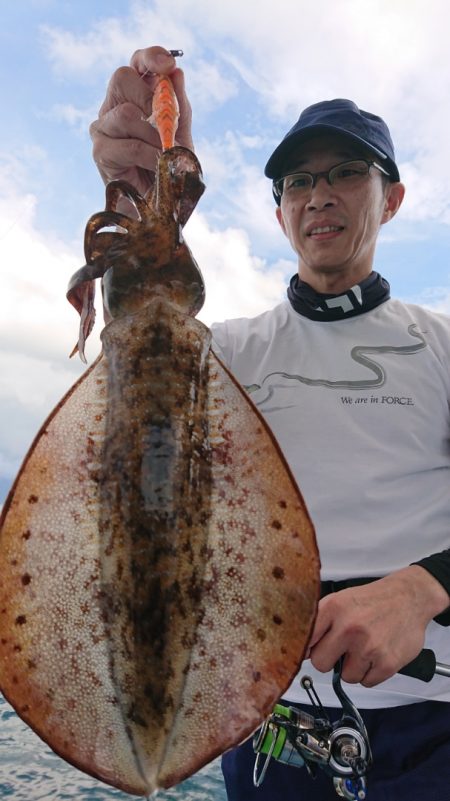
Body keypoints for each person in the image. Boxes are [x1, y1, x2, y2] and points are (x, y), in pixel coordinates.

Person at [90, 46, 450, 800]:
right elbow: (132, 412)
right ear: (279, 209)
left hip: (433, 731)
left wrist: (423, 588)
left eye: (347, 172)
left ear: (392, 198)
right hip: (265, 738)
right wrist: (131, 192)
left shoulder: (441, 345)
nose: (318, 193)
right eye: (297, 180)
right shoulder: (220, 354)